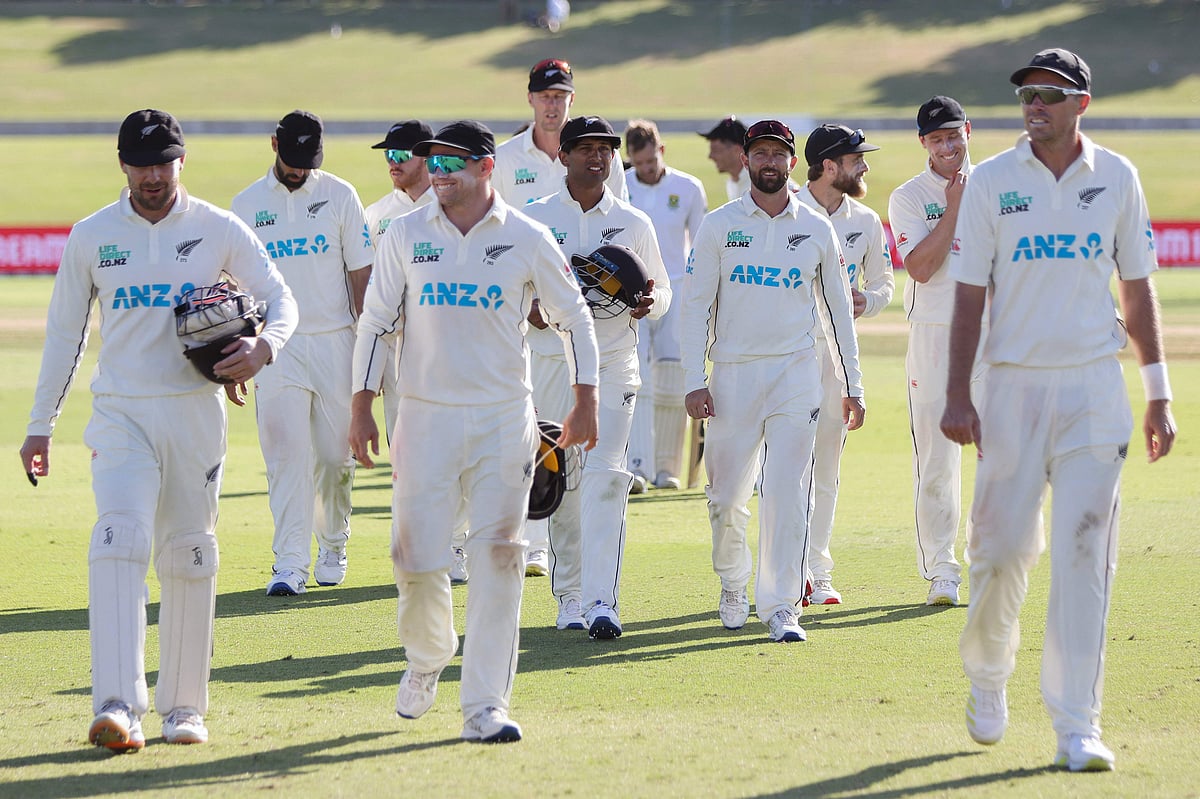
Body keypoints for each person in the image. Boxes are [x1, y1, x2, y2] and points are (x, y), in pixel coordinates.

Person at [19, 109, 298, 751]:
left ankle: (183, 710)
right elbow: (65, 335)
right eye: (141, 163)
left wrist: (263, 349)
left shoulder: (217, 228)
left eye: (163, 162)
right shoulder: (92, 236)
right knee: (118, 538)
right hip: (121, 412)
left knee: (189, 555)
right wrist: (40, 425)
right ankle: (117, 704)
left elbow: (280, 300)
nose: (153, 175)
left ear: (181, 161)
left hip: (194, 412)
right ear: (122, 165)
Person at [941, 48, 1176, 772]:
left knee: (1085, 556)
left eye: (1050, 94)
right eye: (1027, 95)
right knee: (1001, 553)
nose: (1035, 104)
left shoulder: (1117, 178)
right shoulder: (990, 183)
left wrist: (1158, 390)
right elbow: (969, 296)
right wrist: (956, 393)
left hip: (1092, 390)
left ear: (1082, 103)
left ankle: (1078, 724)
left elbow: (1136, 290)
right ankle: (987, 672)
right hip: (1011, 387)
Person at [348, 120, 600, 743]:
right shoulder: (405, 235)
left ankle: (486, 705)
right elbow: (376, 322)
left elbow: (574, 318)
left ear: (487, 168)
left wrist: (585, 400)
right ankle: (429, 655)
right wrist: (360, 405)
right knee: (415, 560)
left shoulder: (526, 236)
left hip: (501, 420)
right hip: (425, 418)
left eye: (452, 164)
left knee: (500, 558)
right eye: (434, 163)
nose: (438, 173)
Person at [681, 119, 865, 643]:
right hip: (733, 375)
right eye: (759, 153)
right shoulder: (720, 226)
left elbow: (837, 313)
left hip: (795, 374)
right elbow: (695, 308)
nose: (768, 162)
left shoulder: (815, 227)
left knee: (789, 490)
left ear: (791, 163)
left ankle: (783, 605)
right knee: (725, 498)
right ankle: (734, 583)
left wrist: (854, 385)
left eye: (777, 155)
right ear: (745, 160)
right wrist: (695, 379)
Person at [523, 115, 671, 637]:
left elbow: (663, 295)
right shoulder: (534, 220)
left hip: (614, 363)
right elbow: (511, 296)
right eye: (585, 148)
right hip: (551, 363)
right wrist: (532, 312)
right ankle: (569, 596)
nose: (598, 157)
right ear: (562, 156)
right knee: (564, 478)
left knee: (608, 477)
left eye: (605, 149)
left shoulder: (633, 222)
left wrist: (648, 304)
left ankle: (602, 601)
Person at [231, 110, 374, 596]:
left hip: (337, 341)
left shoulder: (340, 194)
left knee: (335, 460)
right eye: (292, 159)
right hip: (277, 348)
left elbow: (362, 279)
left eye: (308, 161)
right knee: (285, 458)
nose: (300, 170)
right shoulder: (246, 205)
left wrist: (368, 353)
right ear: (274, 145)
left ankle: (333, 542)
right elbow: (236, 289)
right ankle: (289, 563)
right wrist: (239, 356)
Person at [887, 95, 979, 606]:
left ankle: (989, 562)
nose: (947, 146)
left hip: (992, 334)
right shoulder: (908, 196)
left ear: (968, 129)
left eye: (953, 135)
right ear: (923, 143)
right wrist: (956, 207)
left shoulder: (1002, 185)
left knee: (1000, 455)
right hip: (933, 332)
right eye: (936, 139)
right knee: (938, 461)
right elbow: (920, 267)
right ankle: (942, 572)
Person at [797, 124, 895, 605]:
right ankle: (786, 570)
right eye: (857, 158)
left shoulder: (866, 220)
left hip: (838, 355)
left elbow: (884, 285)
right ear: (829, 165)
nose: (866, 166)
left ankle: (818, 569)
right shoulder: (786, 210)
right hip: (787, 355)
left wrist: (866, 301)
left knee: (827, 468)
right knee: (784, 468)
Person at [623, 119, 708, 493]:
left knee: (673, 379)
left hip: (676, 289)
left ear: (662, 150)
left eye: (651, 161)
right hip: (632, 294)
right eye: (638, 163)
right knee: (635, 376)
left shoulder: (688, 188)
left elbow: (703, 247)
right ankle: (637, 466)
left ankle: (667, 469)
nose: (646, 169)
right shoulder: (621, 187)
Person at [493, 58, 627, 208]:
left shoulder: (602, 156)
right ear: (530, 98)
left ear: (572, 99)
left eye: (559, 96)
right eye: (544, 96)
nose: (552, 105)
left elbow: (621, 216)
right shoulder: (503, 157)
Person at [698, 116, 750, 201]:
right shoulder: (732, 183)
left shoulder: (758, 184)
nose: (710, 156)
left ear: (737, 150)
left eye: (715, 150)